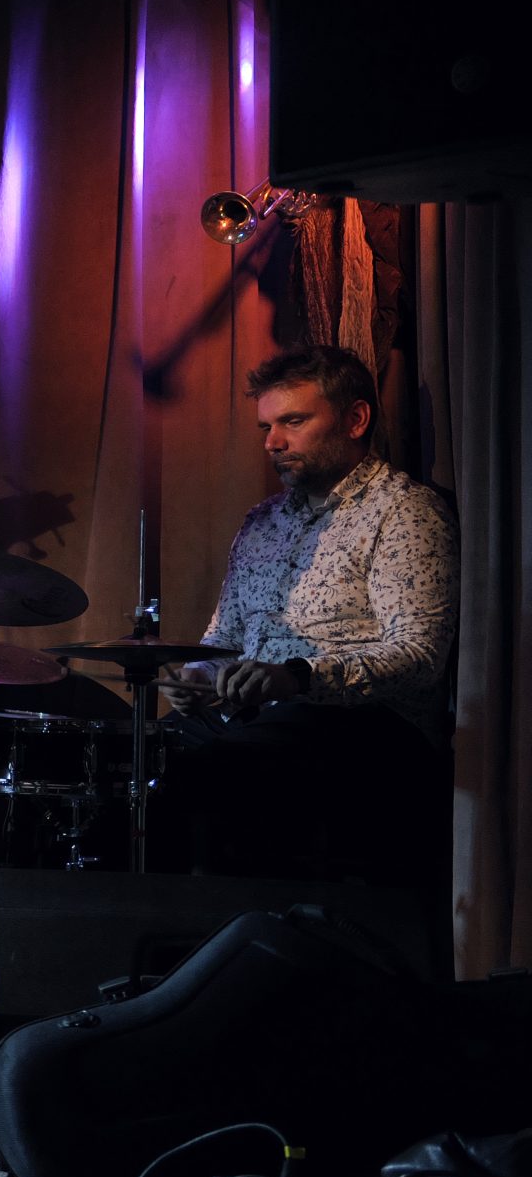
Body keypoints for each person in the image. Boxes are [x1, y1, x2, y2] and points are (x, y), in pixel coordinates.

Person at [157, 344, 456, 886]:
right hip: (255, 721)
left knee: (218, 769)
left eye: (292, 421)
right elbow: (224, 639)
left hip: (361, 730)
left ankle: (226, 922)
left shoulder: (403, 511)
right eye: (267, 426)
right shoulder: (261, 521)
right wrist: (199, 676)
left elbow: (419, 656)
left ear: (355, 419)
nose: (272, 442)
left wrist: (296, 678)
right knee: (141, 756)